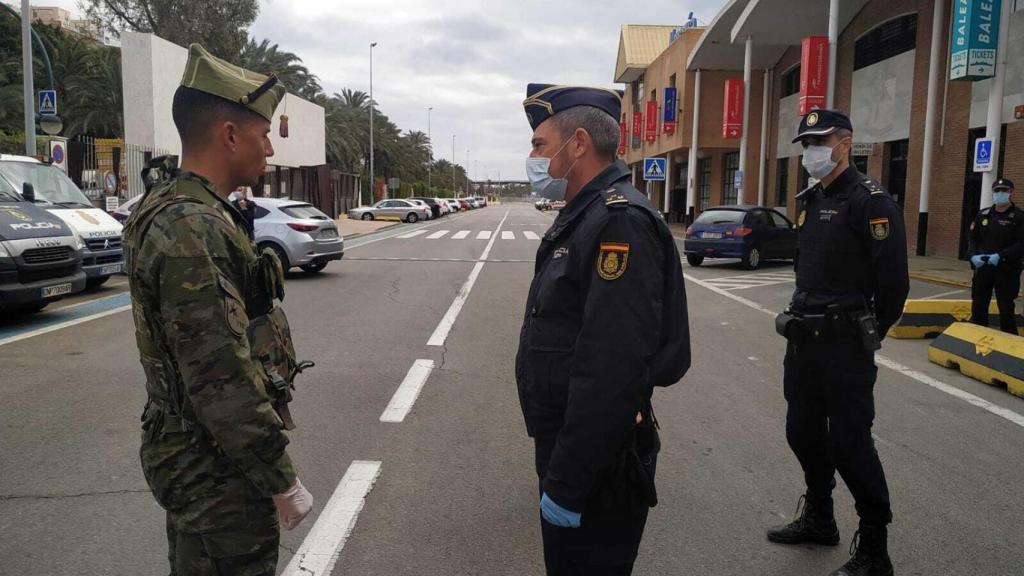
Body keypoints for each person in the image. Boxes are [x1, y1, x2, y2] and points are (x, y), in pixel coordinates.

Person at [123, 44, 312, 575]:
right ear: (230, 135)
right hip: (215, 471)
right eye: (262, 134)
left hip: (198, 458)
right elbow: (219, 378)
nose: (269, 149)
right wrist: (281, 479)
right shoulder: (190, 227)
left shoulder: (186, 209)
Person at [515, 83, 691, 576]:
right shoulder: (587, 214)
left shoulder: (619, 222)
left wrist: (568, 480)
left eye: (539, 144)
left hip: (597, 460)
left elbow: (611, 368)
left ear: (577, 146)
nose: (532, 156)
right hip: (576, 444)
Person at [770, 109, 909, 576]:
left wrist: (866, 333)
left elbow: (894, 285)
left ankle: (874, 548)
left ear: (845, 143)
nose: (811, 150)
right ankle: (820, 517)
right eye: (806, 142)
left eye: (820, 140)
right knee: (802, 433)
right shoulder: (811, 198)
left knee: (850, 444)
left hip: (845, 345)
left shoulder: (872, 202)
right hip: (803, 340)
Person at [968, 178, 1023, 335]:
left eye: (1004, 191)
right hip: (983, 266)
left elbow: (1021, 244)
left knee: (1005, 306)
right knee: (979, 303)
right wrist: (973, 256)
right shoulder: (983, 215)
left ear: (1011, 192)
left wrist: (1001, 255)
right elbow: (973, 238)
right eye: (997, 191)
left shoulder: (1019, 217)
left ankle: (1009, 340)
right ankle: (977, 334)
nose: (1000, 194)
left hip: (1007, 268)